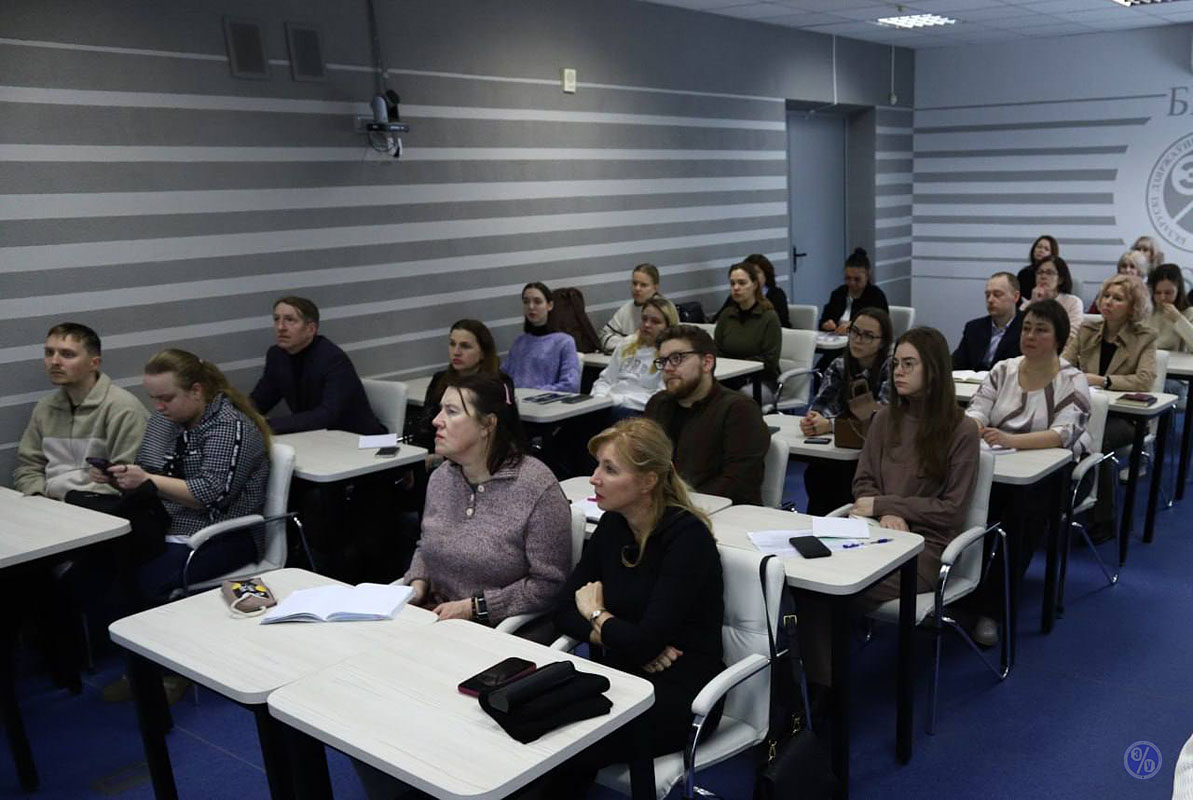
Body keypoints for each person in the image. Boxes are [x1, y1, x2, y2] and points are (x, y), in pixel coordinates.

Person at [539, 417, 724, 794]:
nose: (594, 478)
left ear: (648, 481)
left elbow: (639, 639)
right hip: (625, 670)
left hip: (683, 690)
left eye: (610, 469)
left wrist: (597, 614)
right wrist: (619, 637)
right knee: (544, 730)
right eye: (597, 466)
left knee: (567, 749)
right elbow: (562, 612)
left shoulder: (688, 540)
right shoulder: (613, 525)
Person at [799, 326, 979, 688]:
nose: (898, 371)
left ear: (934, 370)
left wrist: (887, 505)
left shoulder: (962, 430)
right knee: (805, 580)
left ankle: (824, 691)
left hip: (925, 547)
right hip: (875, 531)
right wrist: (888, 512)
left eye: (909, 364)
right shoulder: (883, 420)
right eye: (896, 363)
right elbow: (863, 483)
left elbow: (951, 510)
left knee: (831, 590)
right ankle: (814, 685)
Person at [94, 349, 271, 603]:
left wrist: (147, 480)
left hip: (222, 535)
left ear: (196, 391)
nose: (159, 407)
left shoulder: (230, 426)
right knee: (94, 571)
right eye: (154, 398)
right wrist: (121, 478)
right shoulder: (162, 421)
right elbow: (148, 470)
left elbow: (210, 494)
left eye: (166, 398)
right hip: (163, 525)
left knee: (135, 585)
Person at [964, 299, 1092, 645]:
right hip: (1001, 465)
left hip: (1058, 473)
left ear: (1059, 339)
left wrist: (1012, 439)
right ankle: (962, 588)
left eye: (1041, 330)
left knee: (1021, 514)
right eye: (1027, 328)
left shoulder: (1072, 380)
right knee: (968, 504)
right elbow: (977, 409)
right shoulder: (1003, 370)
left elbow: (1063, 434)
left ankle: (991, 609)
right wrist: (974, 426)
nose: (1030, 336)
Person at [402, 374, 571, 625]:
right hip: (434, 616)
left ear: (487, 425)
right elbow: (426, 546)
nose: (437, 421)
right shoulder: (441, 478)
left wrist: (475, 607)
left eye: (451, 412)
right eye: (440, 410)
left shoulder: (536, 487)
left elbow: (549, 585)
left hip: (497, 628)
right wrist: (416, 585)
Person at [1063, 274, 1158, 541]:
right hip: (1086, 409)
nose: (1108, 302)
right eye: (1106, 296)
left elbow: (1145, 380)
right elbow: (1062, 364)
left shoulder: (1145, 337)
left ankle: (1104, 518)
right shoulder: (1087, 329)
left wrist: (1104, 381)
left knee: (1096, 440)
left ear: (1133, 306)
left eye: (1117, 298)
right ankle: (1059, 503)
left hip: (1126, 417)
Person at [14, 323, 149, 500]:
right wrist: (39, 497)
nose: (54, 361)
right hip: (50, 504)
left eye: (67, 354)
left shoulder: (123, 408)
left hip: (101, 507)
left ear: (94, 363)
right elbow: (28, 467)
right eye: (49, 353)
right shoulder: (45, 408)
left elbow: (127, 479)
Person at [644, 324, 770, 505]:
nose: (668, 368)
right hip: (662, 506)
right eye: (663, 361)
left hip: (719, 511)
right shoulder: (658, 404)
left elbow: (739, 482)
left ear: (707, 362)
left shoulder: (739, 410)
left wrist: (679, 503)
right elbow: (641, 461)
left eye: (677, 358)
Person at [800, 309, 893, 515]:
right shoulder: (840, 364)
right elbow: (822, 403)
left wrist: (830, 425)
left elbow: (879, 418)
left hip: (877, 451)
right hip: (841, 446)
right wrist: (813, 419)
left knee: (841, 479)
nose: (858, 340)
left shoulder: (891, 367)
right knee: (816, 473)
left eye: (868, 336)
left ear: (882, 342)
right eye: (855, 332)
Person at [250, 296, 384, 435]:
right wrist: (239, 416)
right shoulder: (277, 356)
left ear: (311, 329)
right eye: (276, 319)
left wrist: (265, 425)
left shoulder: (333, 359)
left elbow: (327, 415)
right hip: (317, 437)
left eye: (290, 320)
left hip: (358, 438)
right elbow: (261, 400)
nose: (280, 327)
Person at [410, 319, 515, 450]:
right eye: (452, 344)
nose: (456, 352)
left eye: (465, 346)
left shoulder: (498, 383)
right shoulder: (441, 379)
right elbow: (425, 428)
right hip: (440, 451)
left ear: (483, 353)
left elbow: (504, 434)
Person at [591, 294, 680, 413]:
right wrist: (599, 400)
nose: (647, 325)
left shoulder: (670, 355)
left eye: (655, 321)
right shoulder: (627, 343)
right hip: (609, 403)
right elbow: (606, 380)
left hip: (637, 410)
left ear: (669, 327)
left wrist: (617, 400)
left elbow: (660, 398)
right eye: (644, 319)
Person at [713, 261, 782, 389]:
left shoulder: (769, 317)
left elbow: (770, 360)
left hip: (761, 379)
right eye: (732, 283)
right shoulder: (726, 315)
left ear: (755, 285)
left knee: (740, 397)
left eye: (742, 283)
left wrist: (738, 366)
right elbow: (717, 350)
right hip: (730, 377)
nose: (736, 288)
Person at [503, 282, 581, 392]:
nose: (531, 307)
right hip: (516, 400)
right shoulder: (519, 342)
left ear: (550, 305)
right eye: (526, 302)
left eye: (537, 302)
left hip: (546, 400)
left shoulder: (564, 342)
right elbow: (504, 377)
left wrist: (533, 393)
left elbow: (571, 385)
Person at [952, 272, 1024, 372]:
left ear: (1015, 297)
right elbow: (957, 364)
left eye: (997, 295)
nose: (990, 300)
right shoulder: (974, 328)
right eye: (987, 295)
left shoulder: (1027, 328)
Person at [819, 247, 889, 334]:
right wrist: (826, 324)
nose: (852, 283)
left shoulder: (876, 296)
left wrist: (855, 326)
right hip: (837, 338)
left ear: (867, 276)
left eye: (857, 279)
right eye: (848, 278)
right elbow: (823, 321)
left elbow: (881, 326)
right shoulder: (838, 293)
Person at [714, 253, 791, 328]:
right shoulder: (737, 295)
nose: (754, 276)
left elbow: (782, 324)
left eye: (757, 272)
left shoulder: (776, 295)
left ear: (766, 275)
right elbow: (716, 320)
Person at [598, 264, 661, 354]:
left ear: (655, 288)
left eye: (643, 285)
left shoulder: (663, 310)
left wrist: (623, 342)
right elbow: (603, 337)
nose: (637, 288)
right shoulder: (626, 309)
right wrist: (630, 343)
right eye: (634, 283)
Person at [1021, 257, 1083, 345]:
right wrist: (1034, 305)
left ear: (1060, 279)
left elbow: (1072, 336)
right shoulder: (1027, 304)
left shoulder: (1073, 302)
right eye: (1040, 272)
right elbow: (1018, 333)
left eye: (1049, 273)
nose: (1043, 277)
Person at [1147, 264, 1193, 353]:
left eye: (1168, 293)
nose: (1162, 298)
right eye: (1158, 293)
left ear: (1178, 290)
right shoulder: (1147, 311)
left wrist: (1178, 319)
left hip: (1176, 360)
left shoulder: (1189, 312)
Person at [1017, 234, 1059, 301]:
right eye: (1039, 247)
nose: (1041, 250)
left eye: (1046, 249)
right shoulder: (1024, 273)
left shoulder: (1057, 273)